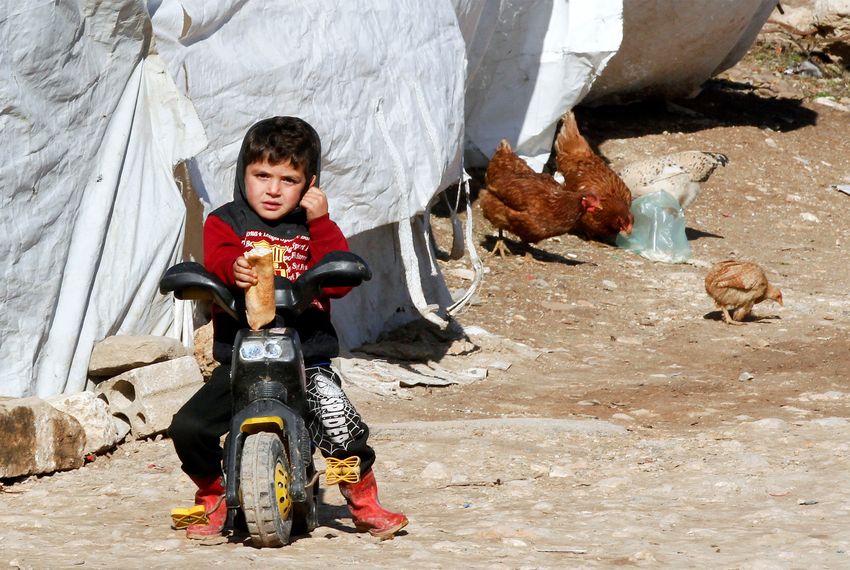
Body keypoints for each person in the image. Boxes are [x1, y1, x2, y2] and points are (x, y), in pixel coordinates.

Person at [168, 116, 408, 541]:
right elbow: (218, 258)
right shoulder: (226, 222)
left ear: (310, 184)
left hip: (307, 358)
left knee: (340, 428)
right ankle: (212, 492)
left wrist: (320, 222)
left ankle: (361, 498)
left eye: (288, 179)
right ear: (243, 172)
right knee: (189, 426)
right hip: (243, 359)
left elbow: (336, 279)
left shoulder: (315, 229)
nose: (273, 189)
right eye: (262, 175)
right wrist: (232, 270)